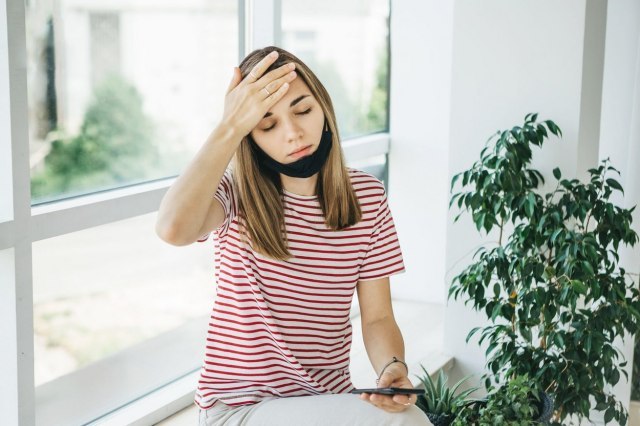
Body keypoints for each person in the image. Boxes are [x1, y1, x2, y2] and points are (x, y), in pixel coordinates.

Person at [155, 46, 432, 426]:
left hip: (324, 399)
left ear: (324, 108)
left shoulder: (367, 197)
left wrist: (392, 366)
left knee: (404, 416)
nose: (293, 133)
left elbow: (378, 317)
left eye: (303, 111)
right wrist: (229, 126)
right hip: (239, 407)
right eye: (267, 125)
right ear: (249, 137)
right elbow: (172, 229)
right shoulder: (234, 193)